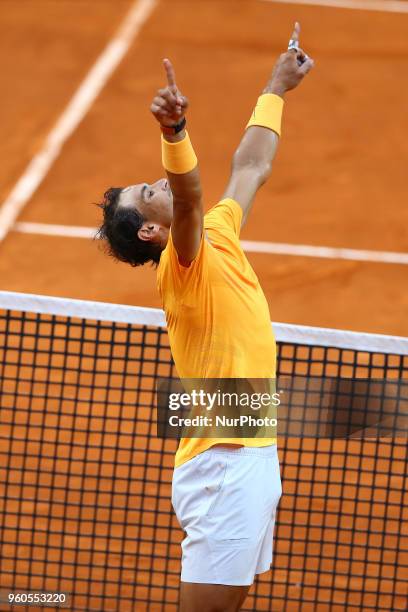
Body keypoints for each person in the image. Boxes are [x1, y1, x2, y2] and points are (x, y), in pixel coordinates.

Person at [97, 22, 313, 612]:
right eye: (148, 189)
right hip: (224, 466)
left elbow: (251, 168)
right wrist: (174, 131)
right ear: (150, 229)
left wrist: (276, 86)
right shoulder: (182, 261)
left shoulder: (215, 231)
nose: (158, 184)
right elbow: (188, 193)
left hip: (252, 447)